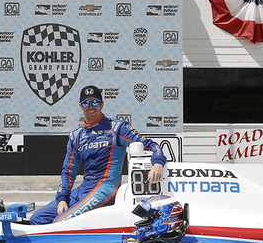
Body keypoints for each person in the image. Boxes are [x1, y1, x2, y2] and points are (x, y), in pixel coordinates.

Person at [29, 85, 167, 224]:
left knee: (61, 221)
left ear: (102, 105)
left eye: (95, 102)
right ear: (80, 106)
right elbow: (68, 171)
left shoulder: (117, 128)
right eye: (86, 103)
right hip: (82, 189)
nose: (91, 106)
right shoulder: (76, 136)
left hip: (105, 189)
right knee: (37, 219)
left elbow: (150, 144)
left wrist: (158, 162)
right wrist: (62, 198)